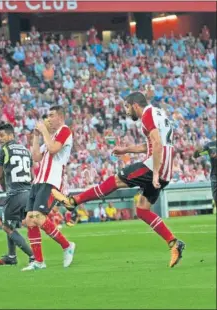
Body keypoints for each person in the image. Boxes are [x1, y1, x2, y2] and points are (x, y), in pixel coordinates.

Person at [59, 92, 185, 268]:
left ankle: (75, 200)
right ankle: (174, 243)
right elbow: (150, 144)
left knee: (115, 181)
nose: (126, 112)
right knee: (142, 210)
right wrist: (126, 150)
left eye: (126, 107)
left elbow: (156, 145)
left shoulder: (147, 115)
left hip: (155, 166)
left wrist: (155, 172)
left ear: (134, 105)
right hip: (166, 169)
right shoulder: (158, 113)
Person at [23, 108, 76, 271]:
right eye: (47, 116)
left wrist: (44, 131)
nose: (48, 119)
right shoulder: (50, 136)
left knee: (38, 217)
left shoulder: (65, 131)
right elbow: (36, 157)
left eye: (51, 116)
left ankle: (67, 245)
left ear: (60, 117)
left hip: (51, 182)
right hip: (38, 181)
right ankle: (39, 262)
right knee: (29, 221)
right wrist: (36, 136)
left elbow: (53, 149)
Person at [0, 123, 36, 268]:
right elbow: (32, 174)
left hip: (15, 193)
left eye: (2, 135)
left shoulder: (4, 149)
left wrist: (5, 188)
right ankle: (11, 256)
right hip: (28, 191)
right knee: (11, 223)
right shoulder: (25, 149)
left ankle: (33, 256)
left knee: (6, 226)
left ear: (11, 135)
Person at [193, 140, 216, 204]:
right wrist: (198, 149)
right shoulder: (210, 145)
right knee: (215, 198)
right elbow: (195, 155)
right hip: (214, 176)